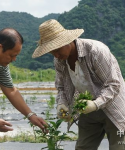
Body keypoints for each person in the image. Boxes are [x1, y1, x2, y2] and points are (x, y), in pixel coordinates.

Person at [32, 19, 125, 150]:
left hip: (113, 107)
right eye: (52, 52)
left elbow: (114, 84)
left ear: (68, 41)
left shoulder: (96, 51)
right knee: (83, 147)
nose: (56, 55)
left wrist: (95, 104)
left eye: (57, 49)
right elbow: (62, 87)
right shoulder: (60, 60)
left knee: (119, 147)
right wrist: (61, 104)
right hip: (87, 108)